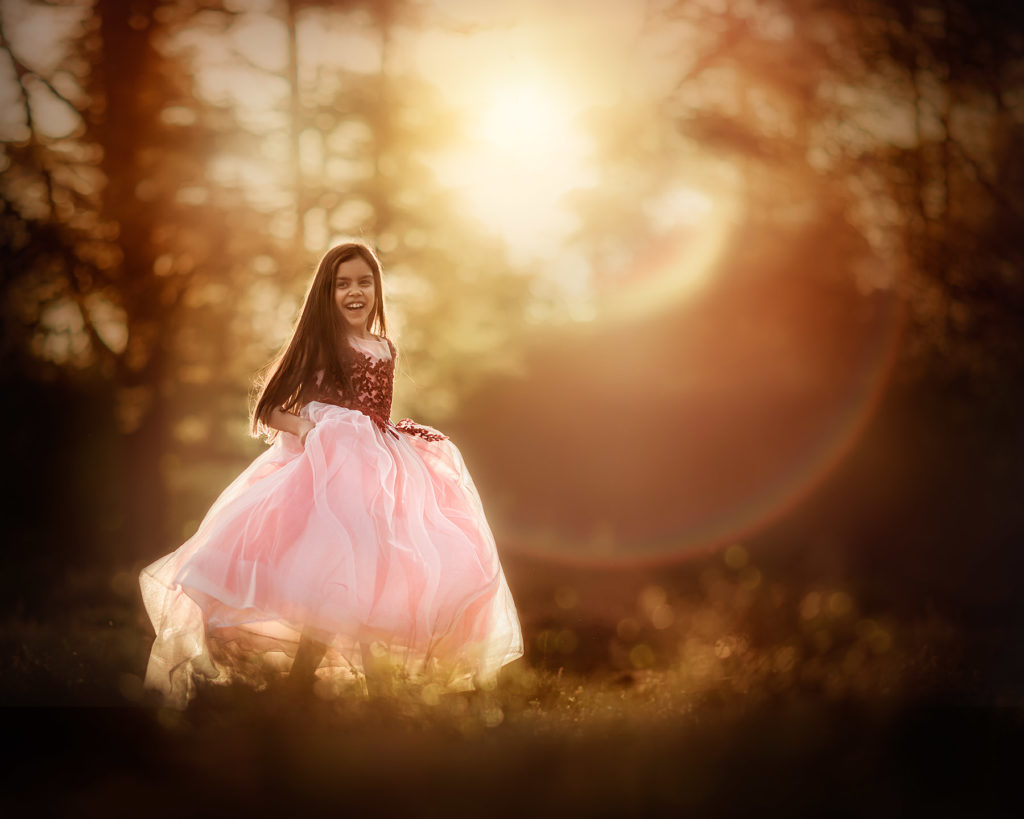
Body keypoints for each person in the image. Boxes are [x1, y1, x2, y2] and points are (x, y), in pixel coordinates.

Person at [139, 241, 524, 707]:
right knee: (337, 574)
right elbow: (270, 409)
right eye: (343, 284)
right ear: (328, 292)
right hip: (331, 472)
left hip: (380, 468)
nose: (355, 292)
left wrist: (389, 439)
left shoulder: (385, 346)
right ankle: (320, 686)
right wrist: (313, 427)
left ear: (377, 289)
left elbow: (376, 410)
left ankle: (355, 688)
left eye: (364, 282)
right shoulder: (322, 344)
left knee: (371, 576)